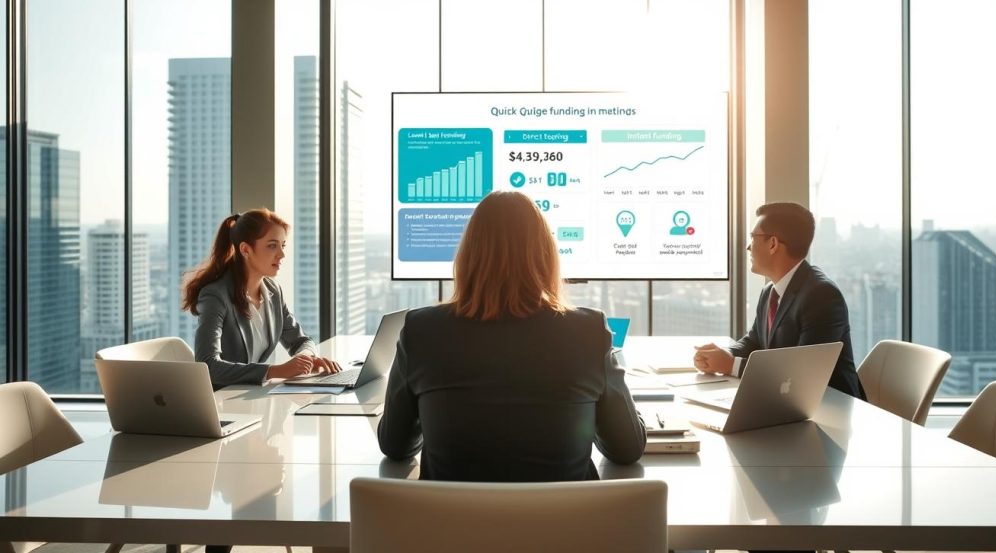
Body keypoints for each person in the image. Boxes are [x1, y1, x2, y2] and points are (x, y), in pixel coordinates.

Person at [377, 191, 647, 481]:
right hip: (563, 525)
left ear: (467, 258)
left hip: (454, 525)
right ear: (546, 257)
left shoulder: (422, 331)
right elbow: (627, 448)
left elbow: (395, 445)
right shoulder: (588, 331)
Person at [694, 202, 864, 399]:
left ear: (773, 244)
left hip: (831, 410)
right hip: (787, 405)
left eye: (753, 238)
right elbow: (754, 342)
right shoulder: (770, 292)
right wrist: (723, 354)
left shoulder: (822, 295)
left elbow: (802, 375)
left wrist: (730, 365)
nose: (748, 247)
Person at [183, 208, 340, 390]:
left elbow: (302, 341)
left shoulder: (273, 291)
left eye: (283, 245)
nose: (281, 254)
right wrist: (274, 371)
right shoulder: (216, 295)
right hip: (220, 403)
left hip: (252, 397)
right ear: (245, 249)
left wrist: (305, 358)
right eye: (272, 245)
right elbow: (207, 365)